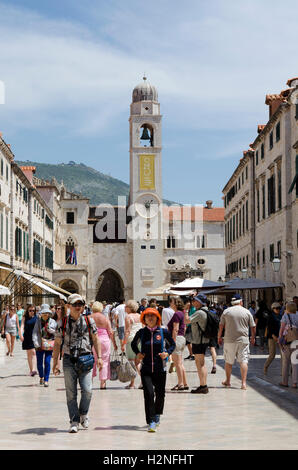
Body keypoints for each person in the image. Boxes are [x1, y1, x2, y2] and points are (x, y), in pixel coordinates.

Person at [52, 294, 103, 433]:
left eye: (80, 304)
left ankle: (83, 413)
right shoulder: (62, 323)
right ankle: (74, 421)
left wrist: (99, 357)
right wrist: (55, 363)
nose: (77, 307)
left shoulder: (88, 320)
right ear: (68, 306)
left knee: (87, 391)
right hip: (69, 360)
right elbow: (57, 344)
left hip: (86, 359)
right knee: (71, 393)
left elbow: (96, 338)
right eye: (75, 304)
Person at [131, 307, 175, 432]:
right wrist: (138, 353)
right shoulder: (142, 332)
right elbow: (133, 344)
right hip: (146, 369)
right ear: (144, 319)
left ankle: (157, 414)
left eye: (153, 316)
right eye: (147, 316)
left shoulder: (163, 332)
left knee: (160, 394)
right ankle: (151, 421)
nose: (150, 318)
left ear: (157, 318)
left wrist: (167, 353)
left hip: (160, 368)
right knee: (149, 394)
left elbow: (172, 344)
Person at [218, 294, 256, 390]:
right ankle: (243, 383)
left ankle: (228, 381)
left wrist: (219, 337)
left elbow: (221, 326)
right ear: (241, 302)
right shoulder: (247, 312)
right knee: (243, 361)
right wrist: (253, 337)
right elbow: (253, 326)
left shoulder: (226, 311)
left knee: (228, 361)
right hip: (243, 340)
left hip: (229, 340)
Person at [187, 294, 211, 394]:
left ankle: (203, 386)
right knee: (202, 363)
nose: (193, 303)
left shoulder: (200, 312)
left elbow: (186, 320)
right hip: (203, 340)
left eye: (195, 301)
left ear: (200, 302)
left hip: (198, 341)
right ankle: (203, 385)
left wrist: (185, 310)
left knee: (199, 363)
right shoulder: (205, 310)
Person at [91, 301, 117, 390]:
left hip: (93, 340)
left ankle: (89, 381)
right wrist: (114, 344)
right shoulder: (105, 318)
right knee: (105, 361)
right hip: (104, 340)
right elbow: (111, 332)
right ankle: (103, 383)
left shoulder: (88, 317)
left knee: (92, 360)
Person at [32, 304, 57, 387]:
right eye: (44, 313)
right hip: (39, 344)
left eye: (47, 313)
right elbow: (35, 332)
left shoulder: (53, 321)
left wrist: (51, 330)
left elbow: (56, 332)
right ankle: (41, 377)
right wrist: (35, 342)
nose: (45, 314)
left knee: (47, 362)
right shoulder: (38, 321)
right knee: (39, 363)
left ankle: (46, 380)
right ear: (41, 313)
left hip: (49, 344)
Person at [167, 297, 188, 391]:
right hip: (182, 338)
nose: (170, 303)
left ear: (175, 304)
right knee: (180, 362)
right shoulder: (181, 313)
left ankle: (180, 384)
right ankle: (184, 382)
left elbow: (175, 328)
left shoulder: (176, 314)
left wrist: (172, 341)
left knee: (177, 363)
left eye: (171, 302)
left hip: (177, 339)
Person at [122, 299, 142, 389]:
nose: (125, 308)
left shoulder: (128, 317)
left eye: (126, 306)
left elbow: (127, 331)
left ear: (129, 308)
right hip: (140, 340)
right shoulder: (140, 316)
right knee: (138, 361)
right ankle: (141, 382)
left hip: (131, 340)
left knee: (132, 362)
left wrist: (123, 343)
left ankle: (133, 383)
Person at [278, 301, 298, 388]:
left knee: (286, 362)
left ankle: (285, 382)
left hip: (287, 341)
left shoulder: (285, 316)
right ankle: (294, 383)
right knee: (295, 362)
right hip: (296, 341)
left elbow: (282, 329)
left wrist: (279, 339)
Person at [263, 302, 282, 374]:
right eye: (276, 308)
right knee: (272, 355)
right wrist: (274, 336)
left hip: (280, 337)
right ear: (273, 309)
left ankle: (284, 371)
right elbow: (269, 328)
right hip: (272, 337)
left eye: (279, 308)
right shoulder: (270, 317)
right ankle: (265, 366)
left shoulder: (281, 316)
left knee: (283, 355)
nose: (278, 310)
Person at [20, 304, 38, 376]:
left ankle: (34, 369)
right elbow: (22, 326)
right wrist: (21, 334)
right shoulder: (25, 317)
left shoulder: (37, 318)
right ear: (27, 310)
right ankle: (31, 370)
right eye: (30, 310)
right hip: (27, 337)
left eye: (33, 310)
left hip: (34, 337)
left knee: (33, 352)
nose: (32, 312)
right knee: (28, 353)